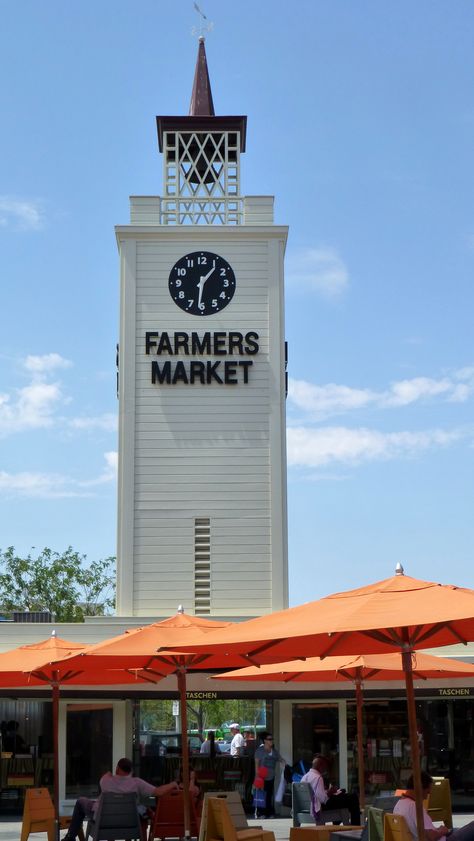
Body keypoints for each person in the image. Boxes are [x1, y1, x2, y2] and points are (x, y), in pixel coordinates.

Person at [62, 757, 181, 841]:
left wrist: (110, 773)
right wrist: (173, 784)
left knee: (80, 801)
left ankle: (70, 837)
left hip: (103, 821)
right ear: (130, 771)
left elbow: (107, 775)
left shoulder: (106, 780)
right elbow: (158, 792)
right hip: (128, 823)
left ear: (118, 768)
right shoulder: (136, 783)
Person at [394, 772, 474, 841]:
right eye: (427, 792)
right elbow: (431, 837)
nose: (426, 797)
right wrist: (442, 831)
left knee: (457, 830)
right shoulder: (415, 807)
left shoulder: (399, 804)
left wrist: (438, 830)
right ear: (420, 788)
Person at [301, 755, 360, 825]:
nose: (325, 769)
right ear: (320, 766)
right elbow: (323, 799)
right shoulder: (318, 777)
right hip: (318, 807)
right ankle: (355, 825)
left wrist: (327, 792)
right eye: (324, 766)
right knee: (353, 797)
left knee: (343, 794)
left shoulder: (305, 776)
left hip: (309, 805)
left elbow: (316, 794)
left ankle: (338, 821)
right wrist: (330, 792)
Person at [254, 732, 286, 819]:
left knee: (269, 794)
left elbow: (280, 758)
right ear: (265, 741)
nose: (271, 741)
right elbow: (257, 764)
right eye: (269, 739)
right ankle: (261, 813)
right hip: (262, 773)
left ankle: (269, 812)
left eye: (272, 739)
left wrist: (283, 762)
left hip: (271, 774)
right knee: (261, 793)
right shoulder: (259, 751)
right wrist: (257, 776)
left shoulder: (274, 751)